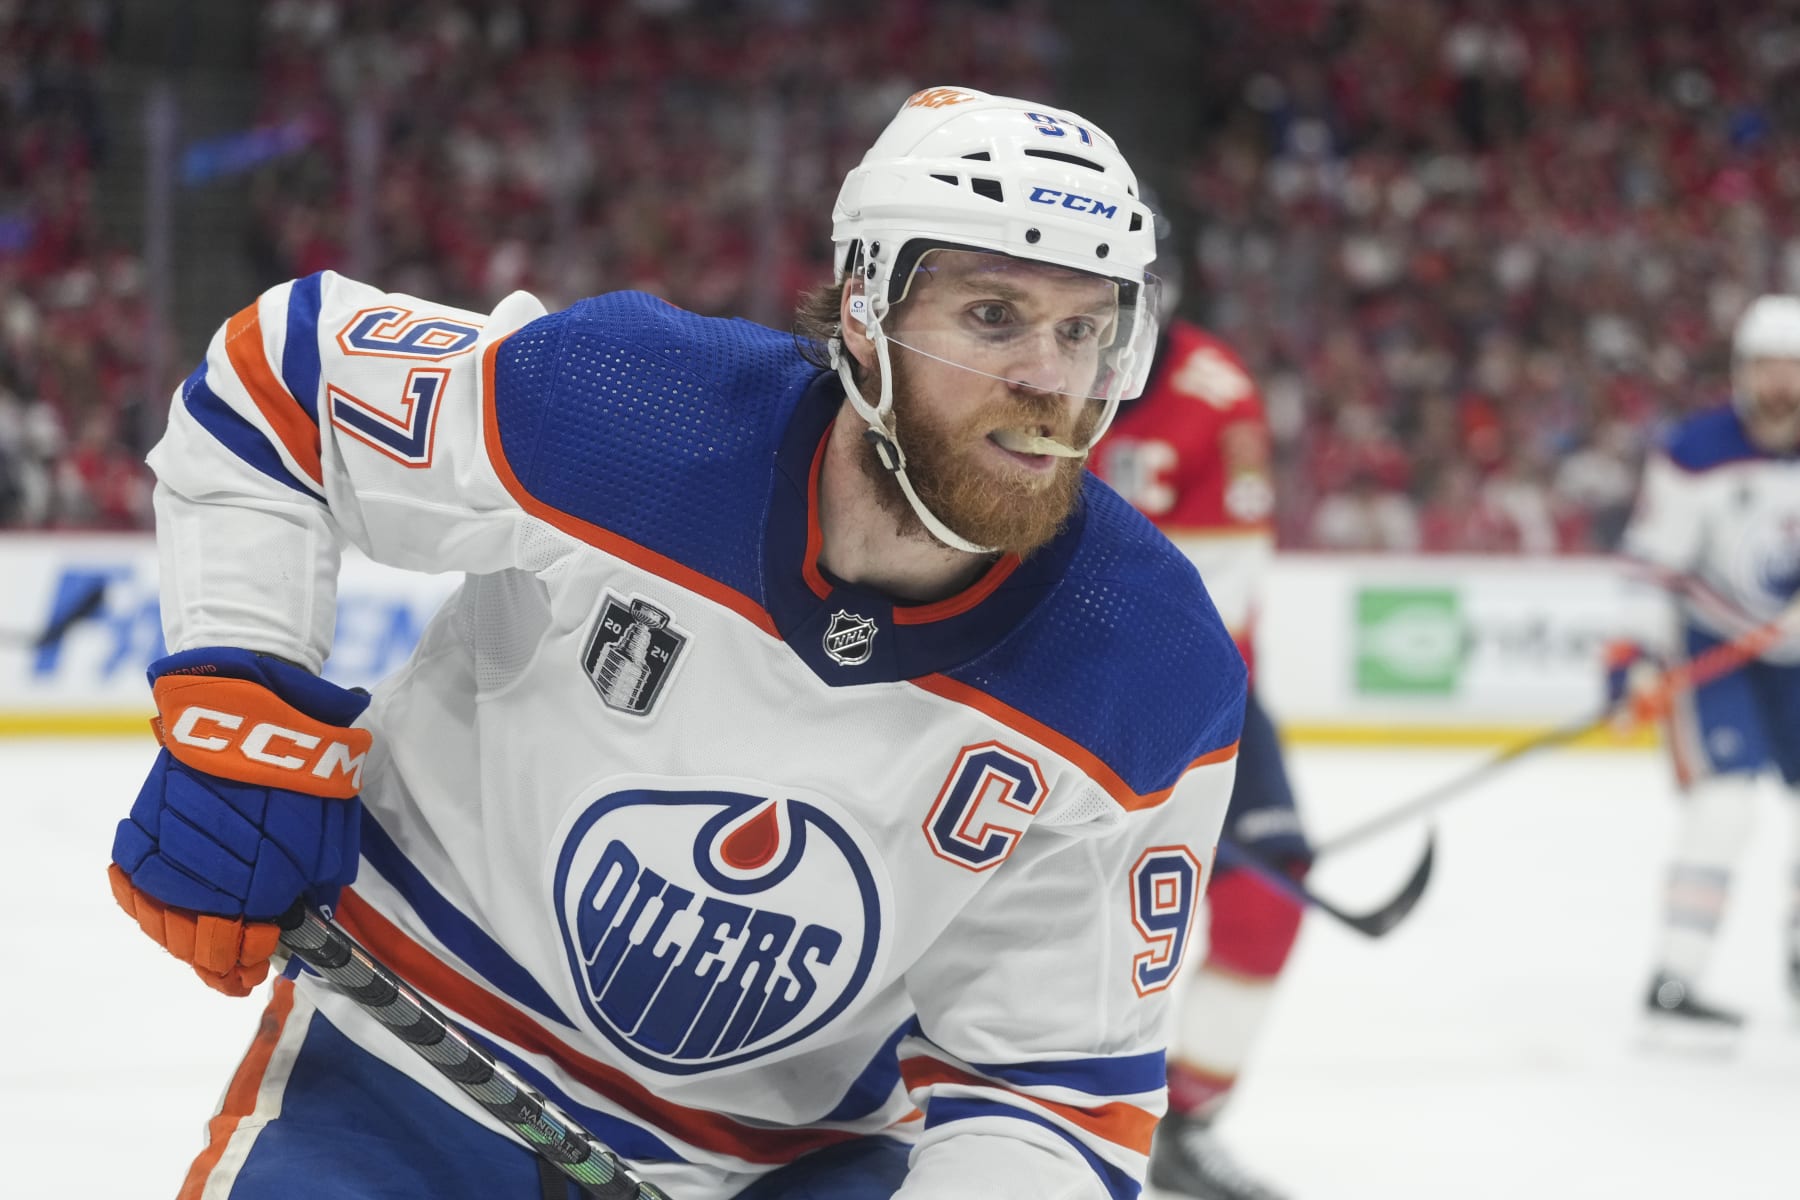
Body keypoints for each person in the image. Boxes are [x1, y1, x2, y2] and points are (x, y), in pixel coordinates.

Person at [106, 87, 1248, 1200]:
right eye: (992, 316)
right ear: (865, 309)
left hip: (788, 1163)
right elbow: (281, 379)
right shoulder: (626, 409)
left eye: (1083, 328)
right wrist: (238, 705)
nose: (1049, 379)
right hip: (406, 1061)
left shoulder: (1144, 666)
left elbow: (1050, 1093)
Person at [1091, 263, 1308, 1200]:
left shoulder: (1212, 390)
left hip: (1198, 682)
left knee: (1270, 895)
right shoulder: (1012, 362)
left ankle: (1190, 1117)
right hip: (1023, 681)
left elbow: (1233, 575)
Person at [1608, 292, 1800, 1033]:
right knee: (1723, 808)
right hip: (1718, 649)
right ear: (1740, 372)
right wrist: (1633, 663)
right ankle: (1675, 980)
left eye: (1791, 368)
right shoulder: (1696, 450)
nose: (1778, 385)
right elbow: (1651, 568)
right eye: (1764, 368)